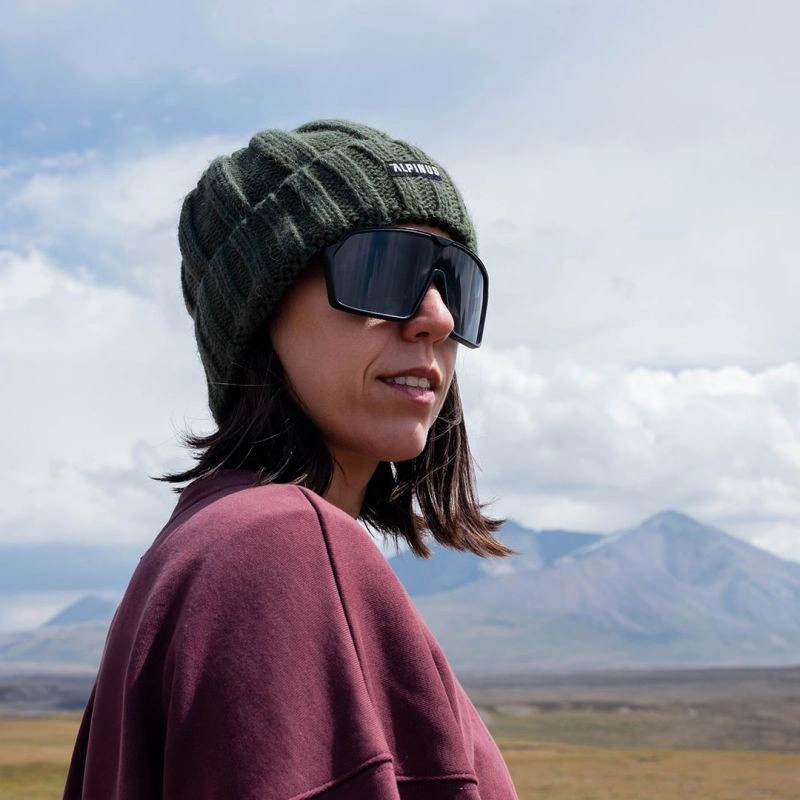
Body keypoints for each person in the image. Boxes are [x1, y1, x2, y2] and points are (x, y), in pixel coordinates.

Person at [63, 119, 519, 799]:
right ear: (260, 314)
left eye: (455, 284)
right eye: (384, 269)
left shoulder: (210, 543)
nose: (438, 318)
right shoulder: (278, 546)